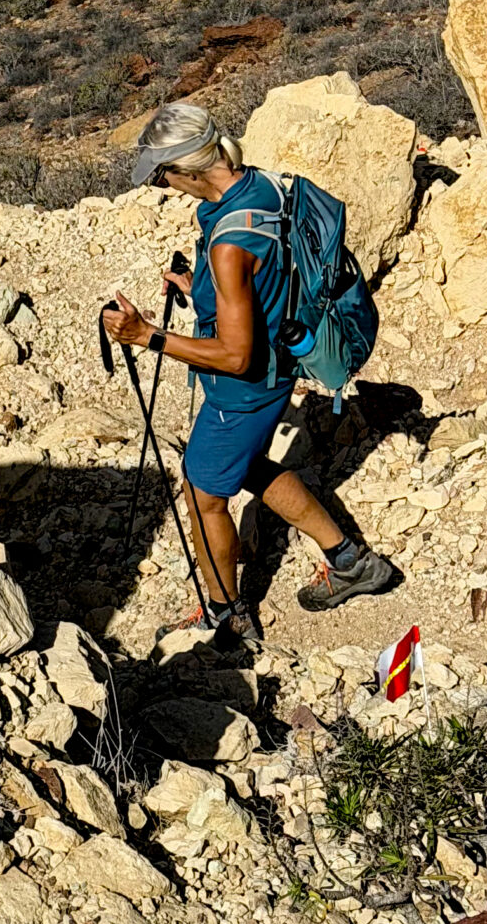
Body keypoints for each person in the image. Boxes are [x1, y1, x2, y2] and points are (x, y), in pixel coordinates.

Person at [102, 99, 396, 641]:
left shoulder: (229, 246)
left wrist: (147, 336)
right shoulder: (260, 189)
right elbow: (265, 284)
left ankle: (224, 613)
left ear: (189, 168)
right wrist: (202, 292)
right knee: (246, 467)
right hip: (277, 369)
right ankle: (351, 561)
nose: (162, 187)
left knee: (203, 491)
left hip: (243, 389)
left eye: (163, 175)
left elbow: (236, 355)